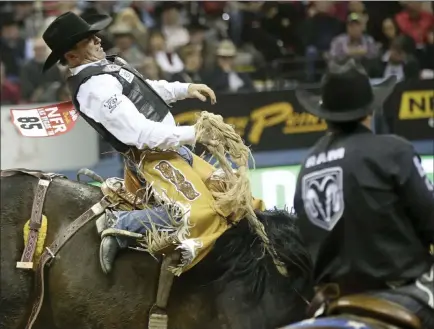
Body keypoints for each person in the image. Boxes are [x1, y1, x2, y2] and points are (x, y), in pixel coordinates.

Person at [41, 12, 264, 278]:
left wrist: (184, 88)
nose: (98, 40)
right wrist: (195, 133)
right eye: (89, 40)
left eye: (93, 36)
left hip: (172, 151)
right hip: (152, 159)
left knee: (234, 196)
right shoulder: (93, 89)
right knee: (193, 215)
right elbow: (140, 134)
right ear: (72, 56)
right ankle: (121, 224)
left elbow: (144, 89)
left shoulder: (105, 68)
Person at [294, 60, 434, 328]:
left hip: (335, 296)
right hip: (402, 292)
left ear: (325, 115)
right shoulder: (393, 151)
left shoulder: (307, 165)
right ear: (370, 111)